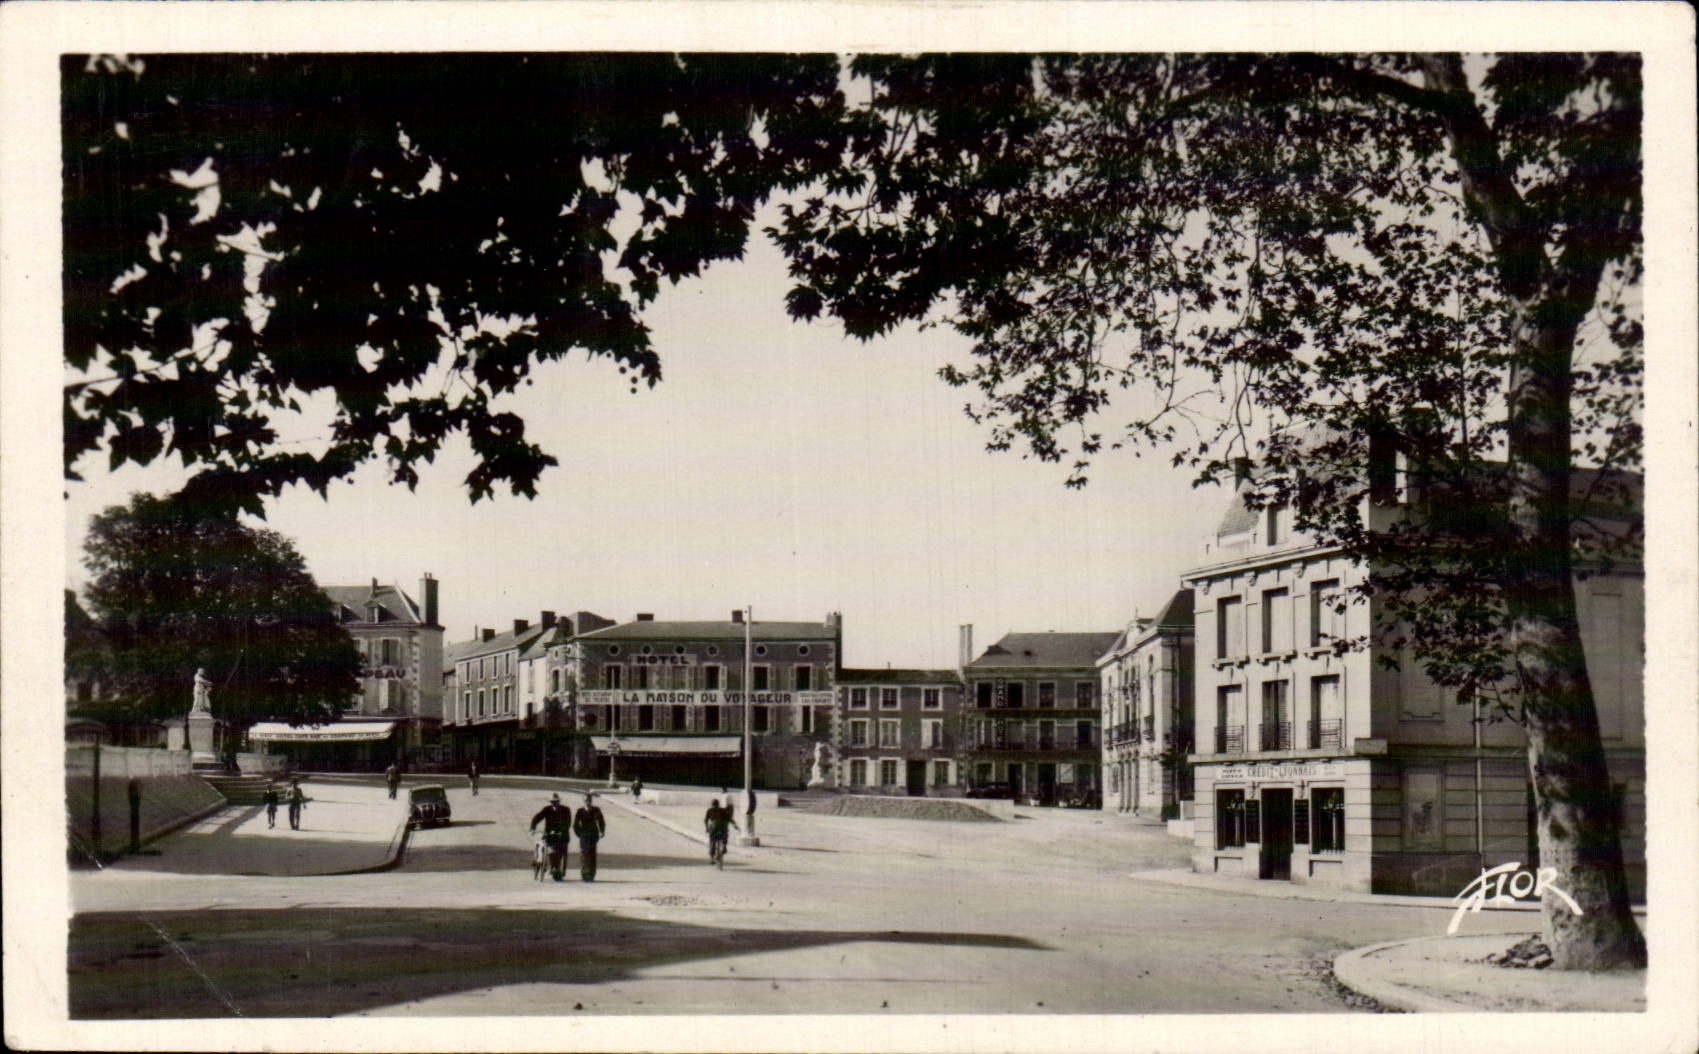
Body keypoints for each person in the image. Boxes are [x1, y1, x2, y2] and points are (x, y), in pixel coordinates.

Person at [529, 793, 573, 881]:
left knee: (559, 850)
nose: (554, 804)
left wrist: (561, 831)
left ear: (559, 801)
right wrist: (533, 827)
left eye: (556, 802)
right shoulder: (547, 809)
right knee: (546, 848)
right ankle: (544, 864)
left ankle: (556, 868)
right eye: (552, 802)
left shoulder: (565, 810)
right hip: (549, 835)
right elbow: (538, 817)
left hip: (562, 835)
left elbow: (567, 822)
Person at [572, 793, 606, 881]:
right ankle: (584, 874)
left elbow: (601, 821)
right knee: (584, 854)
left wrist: (602, 831)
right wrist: (578, 833)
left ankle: (591, 874)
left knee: (592, 854)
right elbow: (575, 824)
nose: (588, 802)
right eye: (586, 800)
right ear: (584, 801)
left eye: (589, 800)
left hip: (593, 835)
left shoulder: (596, 810)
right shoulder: (580, 811)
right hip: (583, 835)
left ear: (592, 801)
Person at [703, 797, 738, 867]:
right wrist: (735, 825)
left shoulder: (709, 810)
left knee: (712, 841)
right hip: (723, 829)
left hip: (714, 829)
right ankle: (724, 846)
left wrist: (706, 828)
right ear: (718, 804)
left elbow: (706, 820)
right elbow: (729, 819)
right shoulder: (723, 810)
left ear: (712, 804)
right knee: (724, 836)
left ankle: (712, 858)